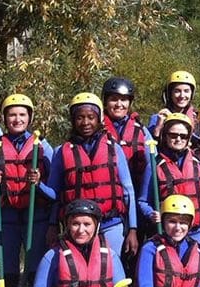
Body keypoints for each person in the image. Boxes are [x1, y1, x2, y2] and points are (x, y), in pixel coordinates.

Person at [0, 94, 55, 287]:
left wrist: (39, 183)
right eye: (12, 114)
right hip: (5, 217)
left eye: (22, 114)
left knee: (34, 270)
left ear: (29, 117)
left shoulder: (42, 146)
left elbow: (54, 188)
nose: (17, 119)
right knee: (8, 270)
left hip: (36, 217)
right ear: (5, 118)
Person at [48, 93, 138, 260]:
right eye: (80, 117)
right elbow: (56, 193)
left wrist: (133, 229)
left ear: (99, 119)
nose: (86, 123)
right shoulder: (61, 151)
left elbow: (128, 192)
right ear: (73, 120)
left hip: (111, 223)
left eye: (91, 117)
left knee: (110, 270)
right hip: (77, 226)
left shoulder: (114, 149)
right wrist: (52, 225)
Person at [139, 113, 200, 249]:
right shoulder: (154, 165)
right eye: (173, 135)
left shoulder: (197, 163)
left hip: (197, 232)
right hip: (168, 233)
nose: (178, 139)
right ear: (165, 136)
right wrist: (151, 213)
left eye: (183, 136)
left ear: (188, 138)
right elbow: (143, 201)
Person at [101, 76, 154, 193]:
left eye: (124, 100)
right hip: (109, 190)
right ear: (105, 102)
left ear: (129, 103)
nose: (119, 104)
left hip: (137, 189)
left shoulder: (141, 130)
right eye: (114, 99)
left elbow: (153, 163)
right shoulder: (97, 129)